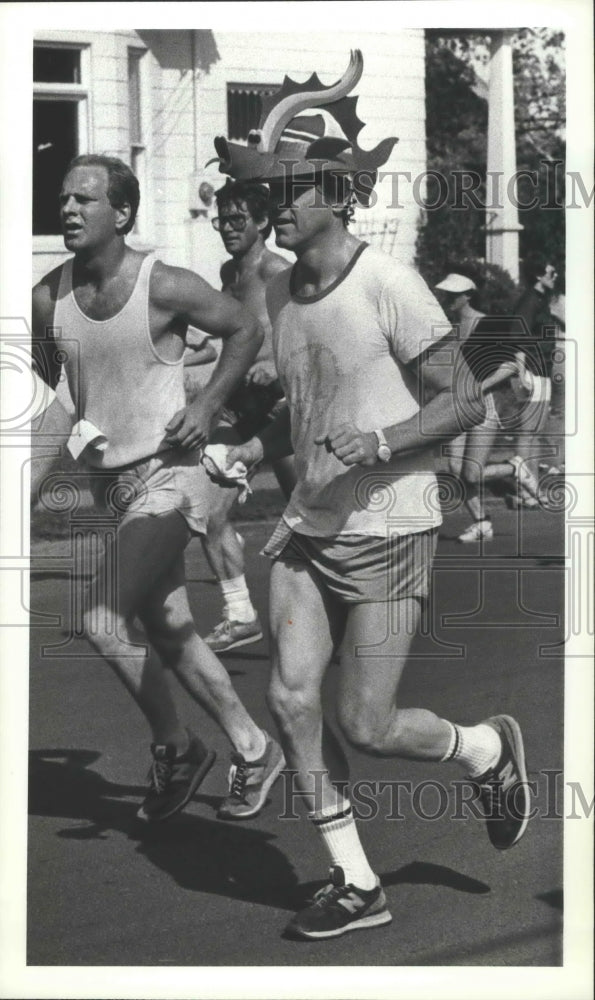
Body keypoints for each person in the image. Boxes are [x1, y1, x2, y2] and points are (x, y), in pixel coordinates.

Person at [207, 51, 531, 939]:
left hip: (390, 525)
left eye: (298, 183)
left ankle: (485, 749)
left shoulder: (387, 284)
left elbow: (464, 397)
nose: (279, 198)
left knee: (369, 721)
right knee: (289, 700)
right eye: (274, 183)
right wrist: (243, 445)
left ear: (340, 193)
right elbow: (296, 407)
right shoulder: (276, 289)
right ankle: (355, 882)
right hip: (309, 526)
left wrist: (382, 441)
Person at [32, 154, 285, 824]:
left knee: (101, 620)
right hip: (114, 487)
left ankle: (175, 745)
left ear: (122, 212)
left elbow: (245, 328)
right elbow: (60, 396)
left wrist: (205, 408)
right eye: (63, 198)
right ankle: (252, 747)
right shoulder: (46, 297)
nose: (68, 208)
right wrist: (25, 485)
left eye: (84, 199)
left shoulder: (164, 284)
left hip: (174, 477)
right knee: (171, 629)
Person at [197, 179, 295, 653]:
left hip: (284, 413)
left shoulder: (280, 271)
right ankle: (240, 614)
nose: (229, 229)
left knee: (307, 520)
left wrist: (277, 364)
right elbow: (232, 337)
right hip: (240, 410)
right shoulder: (228, 274)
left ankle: (334, 619)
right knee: (208, 510)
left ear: (262, 222)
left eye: (238, 220)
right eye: (223, 220)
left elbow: (311, 334)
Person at [435, 272, 524, 541]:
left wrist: (480, 387)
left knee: (471, 474)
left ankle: (514, 467)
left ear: (468, 296)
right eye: (445, 293)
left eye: (453, 294)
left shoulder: (489, 325)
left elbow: (511, 365)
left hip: (483, 404)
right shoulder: (448, 328)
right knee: (454, 467)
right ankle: (482, 523)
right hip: (456, 403)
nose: (447, 298)